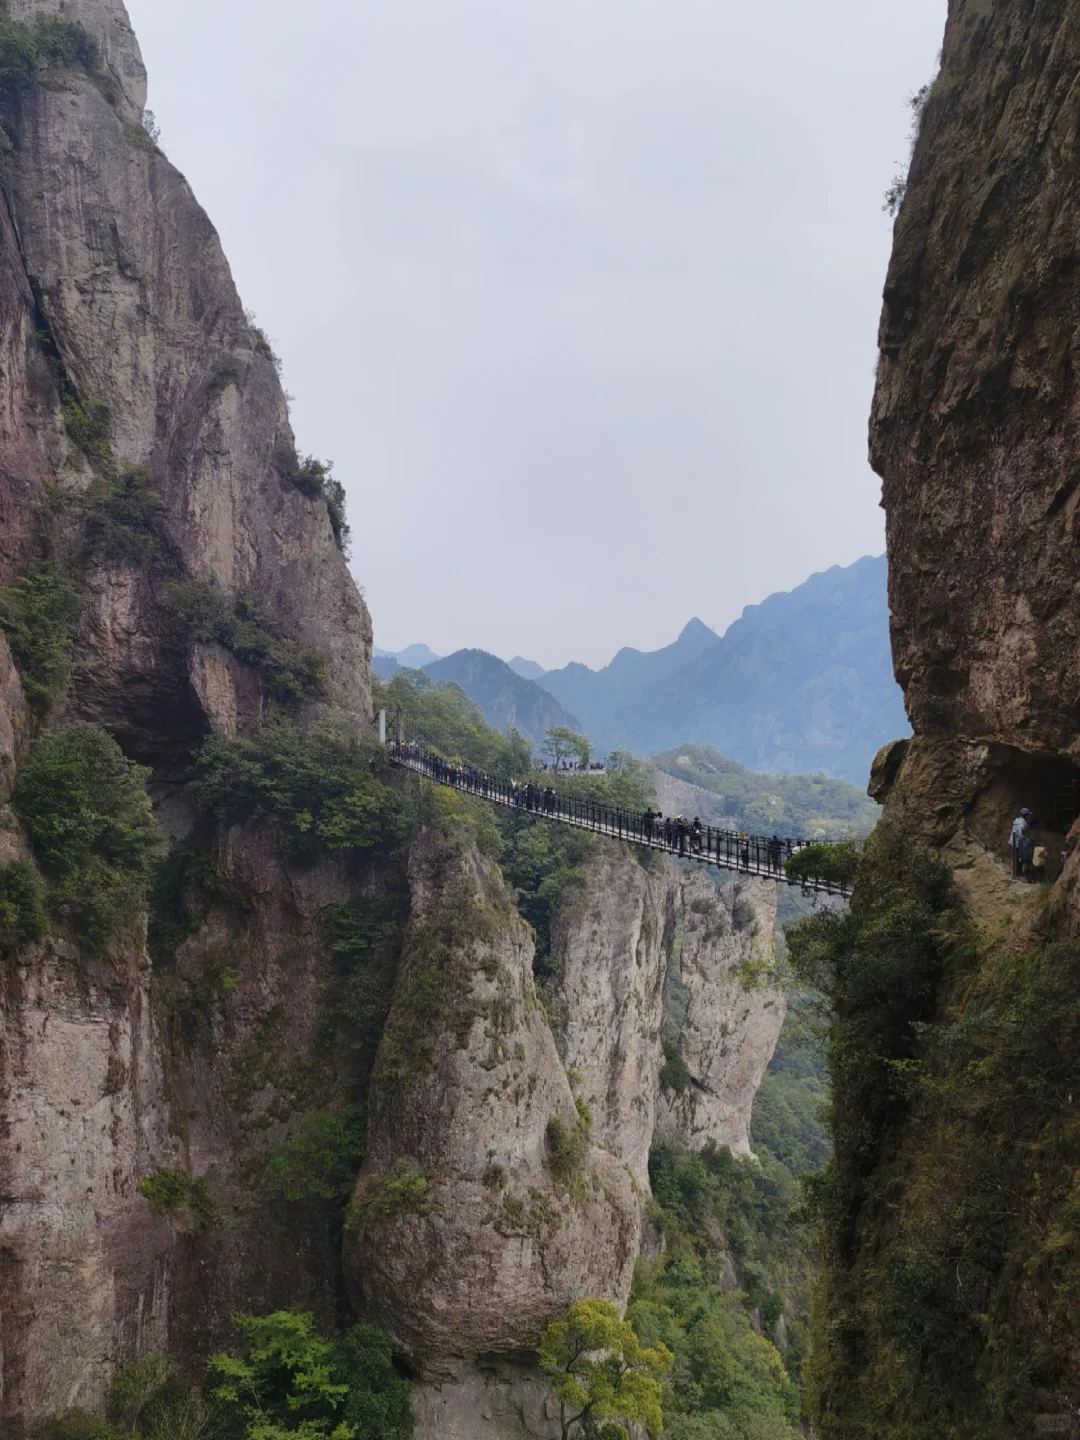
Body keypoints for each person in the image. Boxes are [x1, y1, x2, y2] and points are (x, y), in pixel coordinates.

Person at [1009, 808, 1034, 877]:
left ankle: (1015, 872)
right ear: (1026, 816)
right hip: (1018, 843)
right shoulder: (1022, 824)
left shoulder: (1018, 820)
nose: (1029, 817)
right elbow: (1020, 834)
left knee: (1016, 857)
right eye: (1028, 815)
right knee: (1019, 858)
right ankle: (1016, 874)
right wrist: (1025, 841)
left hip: (1014, 841)